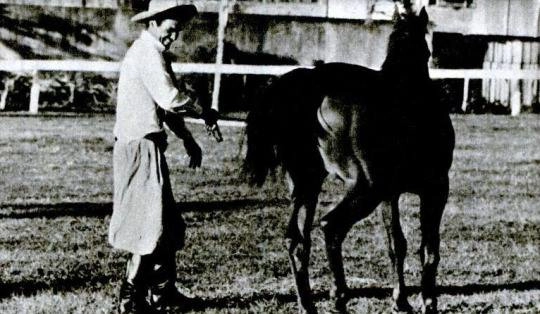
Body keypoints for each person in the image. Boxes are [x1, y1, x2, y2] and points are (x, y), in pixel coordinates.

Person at [109, 2, 219, 313]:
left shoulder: (156, 53)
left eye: (178, 31)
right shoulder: (147, 52)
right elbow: (170, 98)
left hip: (149, 147)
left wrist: (188, 139)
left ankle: (163, 293)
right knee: (148, 225)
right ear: (155, 23)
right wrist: (203, 110)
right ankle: (129, 299)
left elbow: (166, 108)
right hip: (138, 147)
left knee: (167, 224)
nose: (174, 36)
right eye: (171, 29)